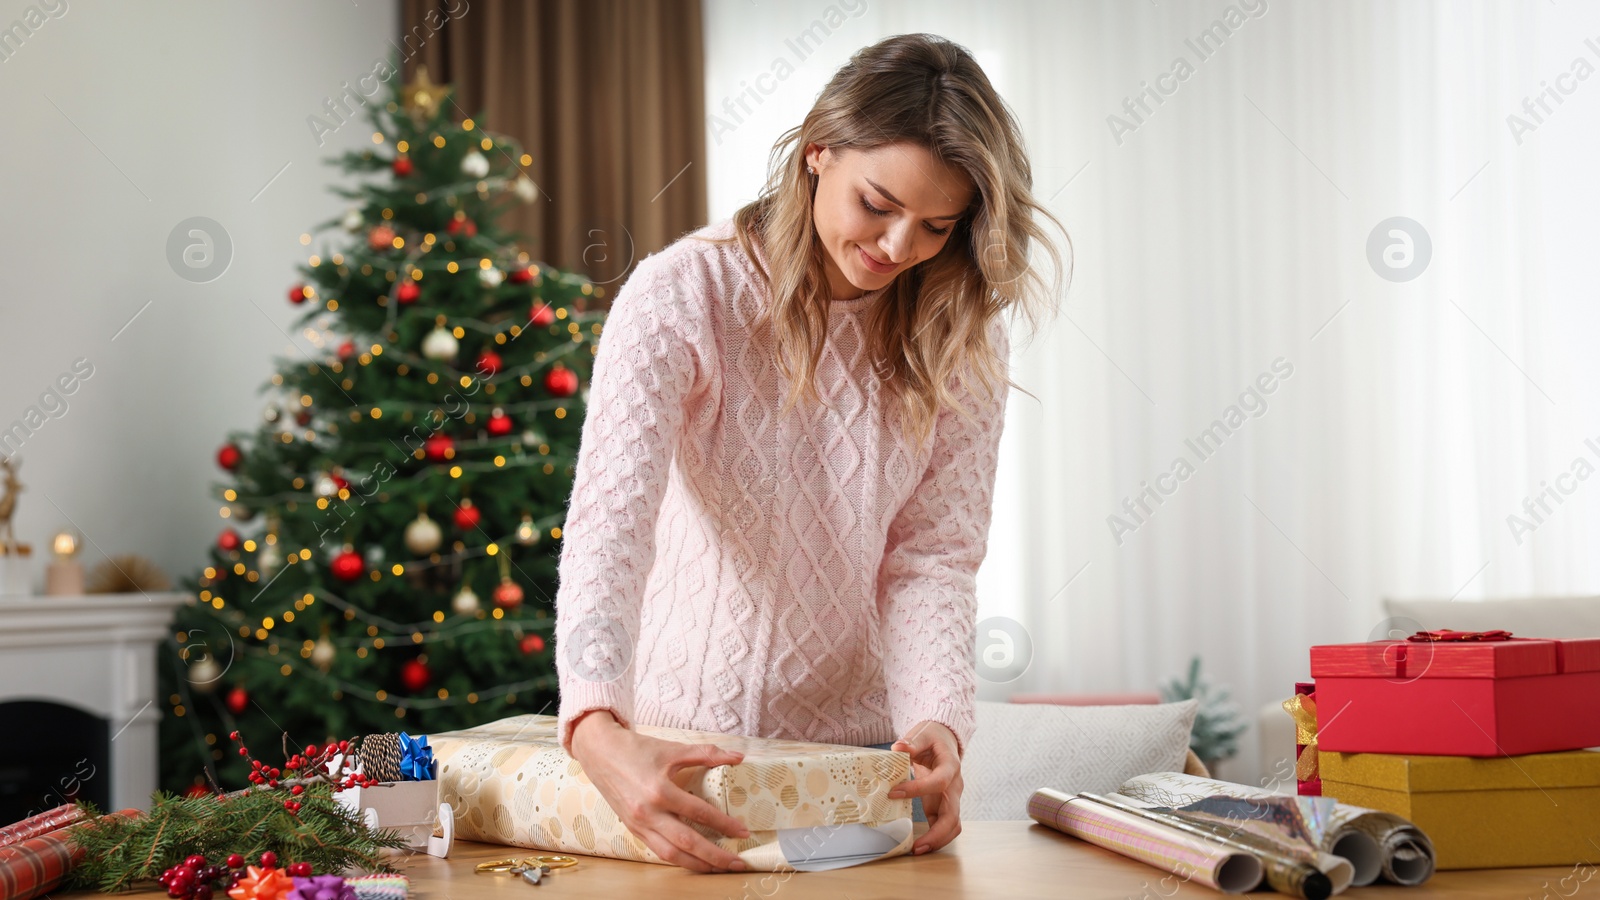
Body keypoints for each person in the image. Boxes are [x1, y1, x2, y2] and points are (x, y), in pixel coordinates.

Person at [552, 32, 1067, 874]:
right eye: (877, 203)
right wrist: (596, 726)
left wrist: (937, 718)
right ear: (817, 152)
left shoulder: (961, 333)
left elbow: (932, 558)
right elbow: (612, 530)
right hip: (679, 760)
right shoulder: (681, 294)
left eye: (938, 225)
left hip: (858, 770)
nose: (899, 248)